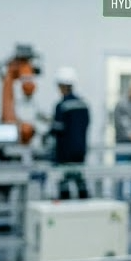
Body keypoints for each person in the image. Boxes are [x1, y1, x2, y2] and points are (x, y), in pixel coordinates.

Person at [50, 67, 90, 198]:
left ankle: (66, 211)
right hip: (81, 150)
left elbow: (57, 129)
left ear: (62, 86)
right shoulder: (83, 104)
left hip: (65, 152)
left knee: (65, 183)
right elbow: (86, 124)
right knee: (80, 180)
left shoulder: (62, 105)